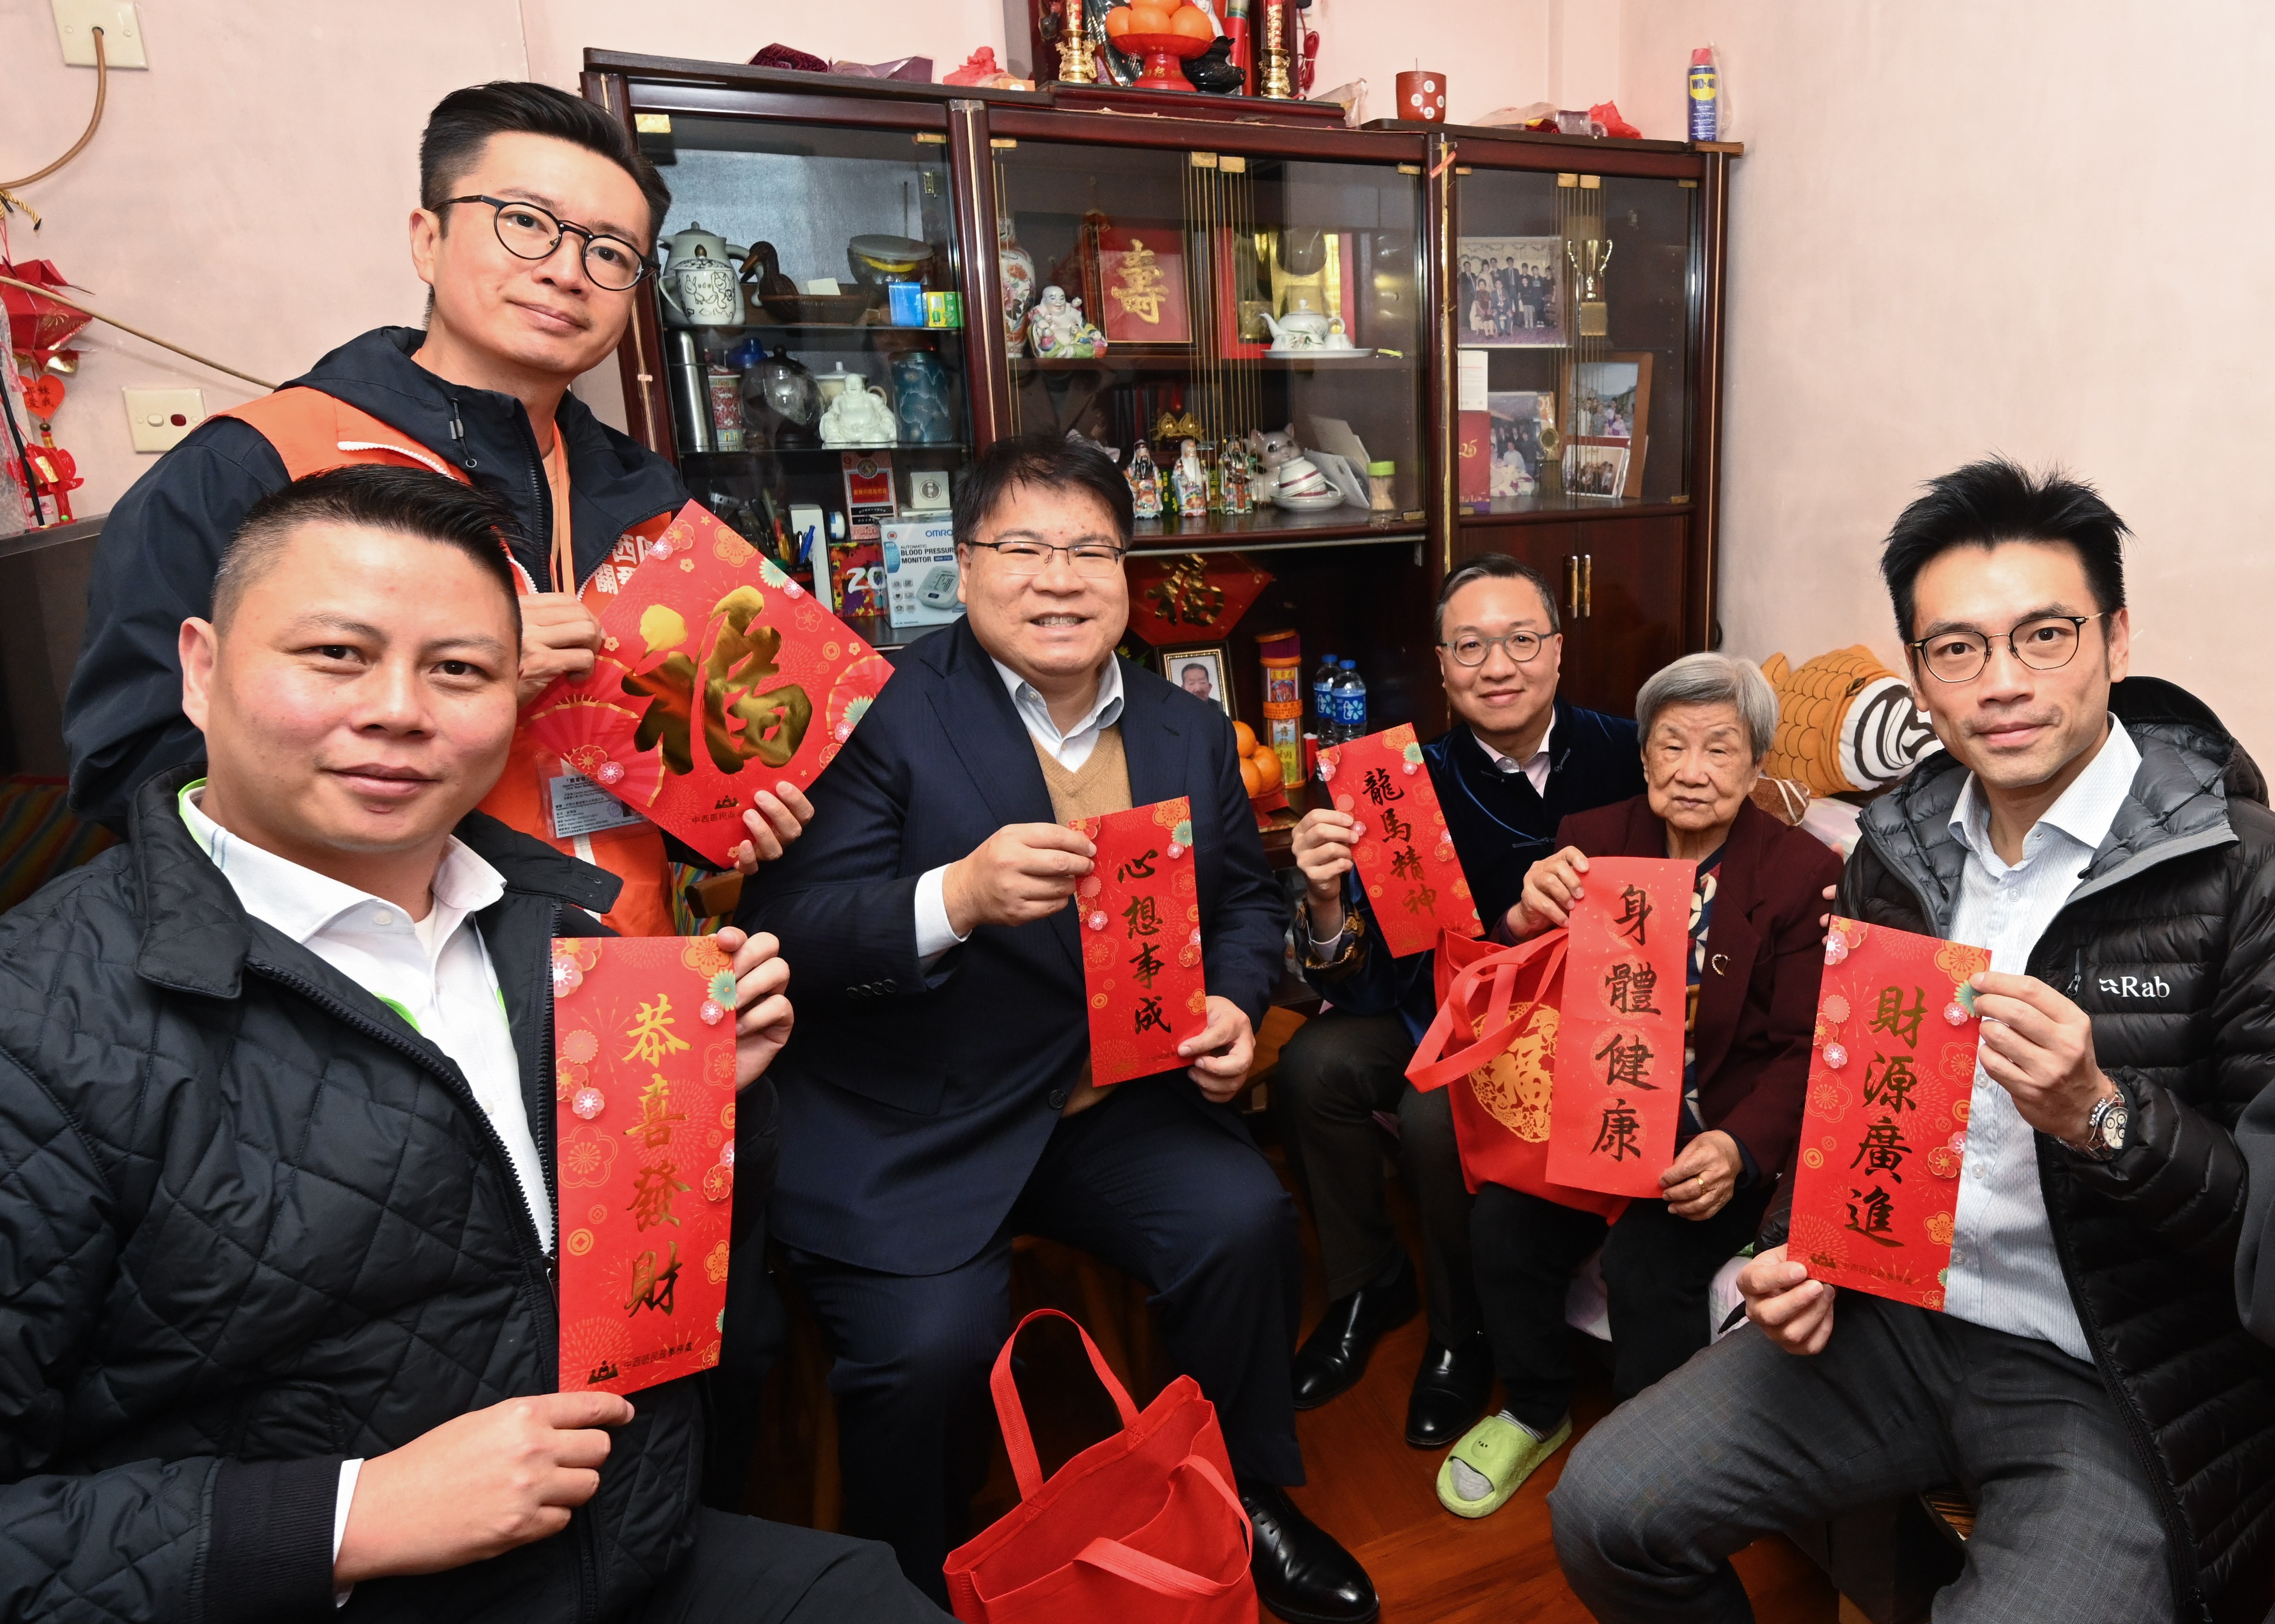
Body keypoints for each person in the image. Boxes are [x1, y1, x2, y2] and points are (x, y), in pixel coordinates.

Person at [0, 466, 945, 1623]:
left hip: (628, 1552)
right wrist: (347, 1515)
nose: (400, 709)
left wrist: (708, 1101)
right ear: (200, 669)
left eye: (458, 669)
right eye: (337, 654)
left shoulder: (570, 932)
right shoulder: (37, 1024)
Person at [1552, 459, 2275, 1623]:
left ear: (2116, 638)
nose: (2003, 682)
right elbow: (1847, 1091)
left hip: (2106, 1372)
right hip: (1889, 1313)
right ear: (1921, 678)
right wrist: (1793, 1251)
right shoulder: (1896, 848)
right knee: (1605, 1510)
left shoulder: (2240, 870)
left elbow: (2264, 1244)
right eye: (1957, 648)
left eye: (2045, 634)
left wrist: (2105, 1116)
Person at [740, 433, 1377, 1623]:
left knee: (1244, 1220)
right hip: (915, 1117)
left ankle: (1242, 1494)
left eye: (1090, 549)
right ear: (963, 565)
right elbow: (792, 931)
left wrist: (1235, 1002)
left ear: (1127, 571)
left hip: (1102, 1104)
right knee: (930, 1348)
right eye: (1023, 547)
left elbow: (1245, 900)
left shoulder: (1188, 727)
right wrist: (957, 896)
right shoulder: (878, 711)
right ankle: (907, 1586)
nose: (1059, 578)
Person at [62, 79, 807, 935]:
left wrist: (729, 808)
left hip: (620, 971)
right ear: (428, 238)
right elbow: (131, 772)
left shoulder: (650, 499)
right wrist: (463, 680)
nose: (567, 271)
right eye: (526, 222)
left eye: (610, 252)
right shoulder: (255, 463)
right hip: (373, 975)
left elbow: (663, 757)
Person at [1435, 652, 1840, 1519]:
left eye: (1720, 749)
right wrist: (1524, 914)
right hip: (1599, 1115)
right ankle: (1535, 1408)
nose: (1692, 771)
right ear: (1645, 757)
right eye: (1672, 745)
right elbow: (1526, 992)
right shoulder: (1591, 839)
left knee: (1646, 1264)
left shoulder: (1797, 874)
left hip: (1710, 1133)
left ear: (1756, 766)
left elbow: (1805, 1047)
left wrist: (1737, 1147)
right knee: (1503, 1223)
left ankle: (1650, 1462)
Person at [1275, 554, 1645, 1450]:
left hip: (1594, 1021)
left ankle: (1460, 1329)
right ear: (1441, 667)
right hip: (1443, 1011)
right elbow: (1372, 981)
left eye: (1521, 640)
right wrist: (1322, 898)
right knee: (1312, 1066)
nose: (1498, 666)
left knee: (1435, 1110)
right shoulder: (1401, 783)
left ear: (1559, 650)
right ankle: (1369, 1283)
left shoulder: (1632, 752)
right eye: (1471, 647)